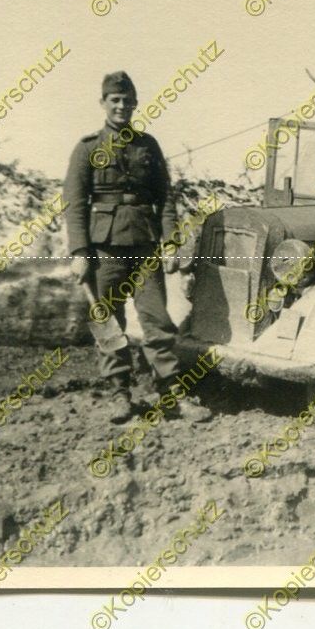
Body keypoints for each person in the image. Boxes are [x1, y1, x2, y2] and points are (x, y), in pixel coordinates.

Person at [63, 71, 210, 423]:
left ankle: (172, 393)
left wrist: (172, 243)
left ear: (135, 105)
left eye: (127, 101)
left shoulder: (148, 146)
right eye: (114, 100)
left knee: (157, 320)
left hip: (144, 249)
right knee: (109, 320)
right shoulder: (86, 148)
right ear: (103, 103)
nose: (121, 106)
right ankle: (119, 393)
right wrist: (80, 252)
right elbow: (74, 202)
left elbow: (166, 198)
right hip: (104, 250)